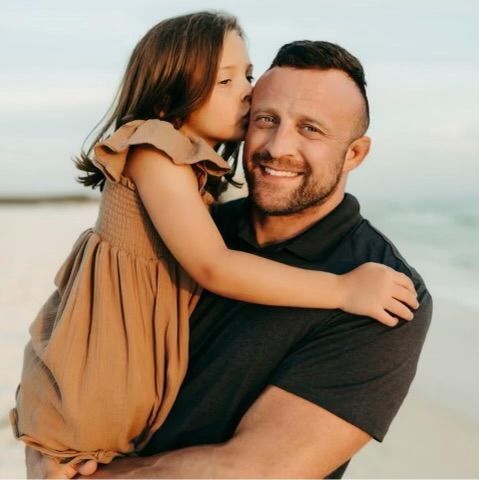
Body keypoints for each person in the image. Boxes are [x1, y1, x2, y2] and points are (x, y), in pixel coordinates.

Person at [11, 12, 420, 479]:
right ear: (171, 93)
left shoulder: (387, 292)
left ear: (355, 153)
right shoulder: (172, 178)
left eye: (311, 129)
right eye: (265, 116)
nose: (276, 141)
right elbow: (203, 269)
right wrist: (342, 290)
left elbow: (256, 471)